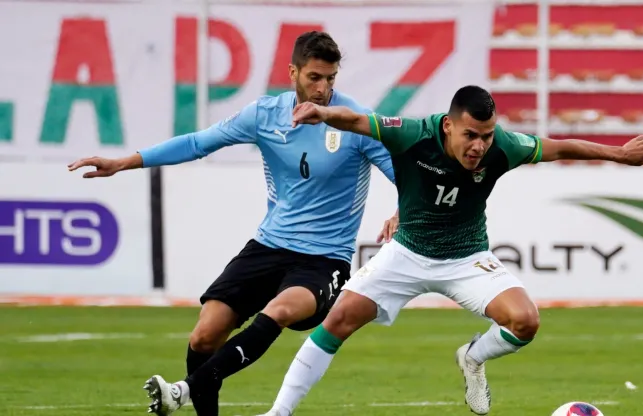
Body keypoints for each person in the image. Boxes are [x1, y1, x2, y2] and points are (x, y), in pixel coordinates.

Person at [255, 85, 643, 416]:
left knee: (526, 322)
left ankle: (473, 356)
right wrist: (324, 114)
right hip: (407, 253)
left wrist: (618, 155)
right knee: (338, 320)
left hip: (467, 257)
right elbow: (361, 121)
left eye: (486, 135)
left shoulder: (505, 146)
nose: (480, 146)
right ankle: (278, 413)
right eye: (470, 135)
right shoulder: (413, 134)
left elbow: (559, 147)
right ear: (448, 126)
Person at [67, 31, 398, 416]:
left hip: (324, 259)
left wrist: (400, 212)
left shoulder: (354, 122)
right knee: (205, 334)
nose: (323, 88)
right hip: (269, 245)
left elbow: (406, 179)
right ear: (293, 72)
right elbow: (198, 143)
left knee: (281, 310)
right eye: (314, 77)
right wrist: (124, 162)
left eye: (331, 78)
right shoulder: (264, 115)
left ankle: (183, 391)